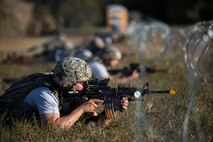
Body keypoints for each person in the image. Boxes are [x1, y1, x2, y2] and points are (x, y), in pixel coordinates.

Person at [0, 57, 128, 129]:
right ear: (68, 83)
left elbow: (94, 127)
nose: (86, 85)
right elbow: (53, 130)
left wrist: (110, 111)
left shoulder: (73, 93)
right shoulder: (45, 94)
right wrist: (82, 109)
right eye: (82, 81)